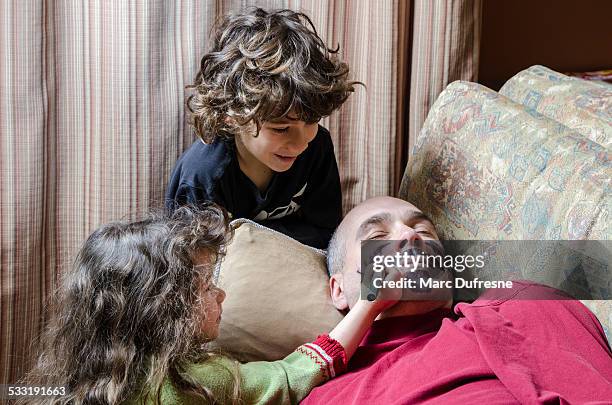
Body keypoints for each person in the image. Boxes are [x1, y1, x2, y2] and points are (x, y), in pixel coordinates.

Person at [20, 204, 397, 405]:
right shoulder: (196, 383)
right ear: (162, 310)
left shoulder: (83, 378)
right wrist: (368, 305)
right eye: (205, 287)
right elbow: (290, 377)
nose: (221, 294)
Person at [302, 196, 612, 404]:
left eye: (423, 229)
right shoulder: (321, 396)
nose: (411, 236)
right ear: (338, 289)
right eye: (377, 236)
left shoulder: (518, 305)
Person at [166, 8, 359, 249]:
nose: (301, 143)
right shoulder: (202, 175)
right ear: (232, 117)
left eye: (311, 122)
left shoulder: (317, 147)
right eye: (281, 129)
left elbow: (327, 234)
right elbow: (195, 263)